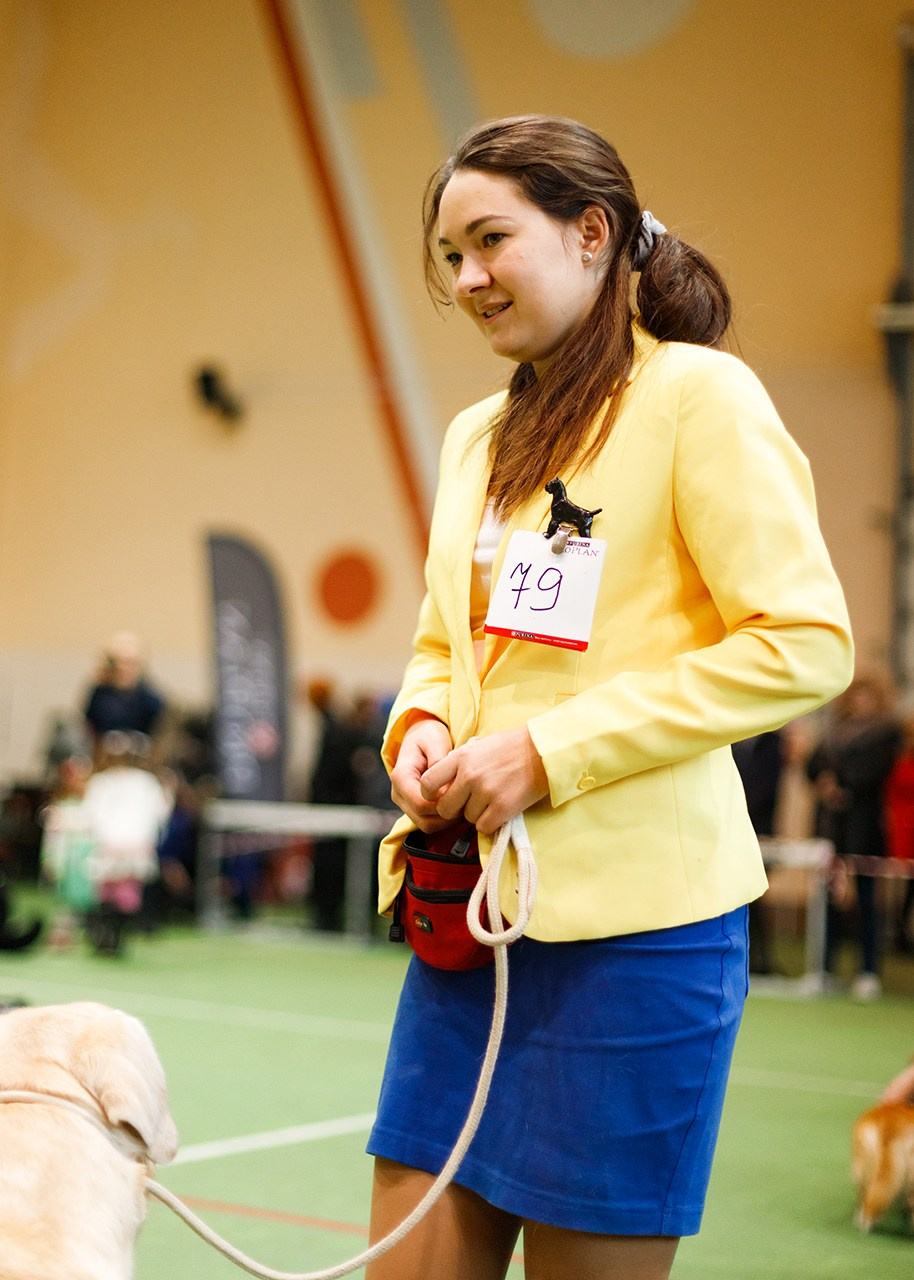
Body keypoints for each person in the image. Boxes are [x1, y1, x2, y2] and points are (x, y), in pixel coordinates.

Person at [364, 115, 854, 1280]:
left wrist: (552, 748)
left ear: (592, 234)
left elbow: (804, 641)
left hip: (639, 945)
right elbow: (444, 641)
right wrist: (425, 722)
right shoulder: (474, 435)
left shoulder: (699, 397)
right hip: (465, 929)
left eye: (491, 240)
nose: (467, 277)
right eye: (450, 256)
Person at [806, 672, 902, 999]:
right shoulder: (832, 732)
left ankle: (868, 971)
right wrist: (824, 783)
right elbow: (812, 765)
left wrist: (841, 784)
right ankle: (824, 967)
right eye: (855, 696)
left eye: (866, 696)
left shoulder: (887, 734)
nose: (859, 702)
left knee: (866, 902)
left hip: (864, 833)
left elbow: (873, 773)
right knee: (828, 901)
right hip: (830, 830)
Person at [83, 631, 166, 761]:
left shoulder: (149, 697)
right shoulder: (99, 695)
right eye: (119, 662)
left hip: (140, 762)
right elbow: (90, 730)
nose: (124, 668)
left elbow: (159, 732)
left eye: (130, 663)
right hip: (106, 762)